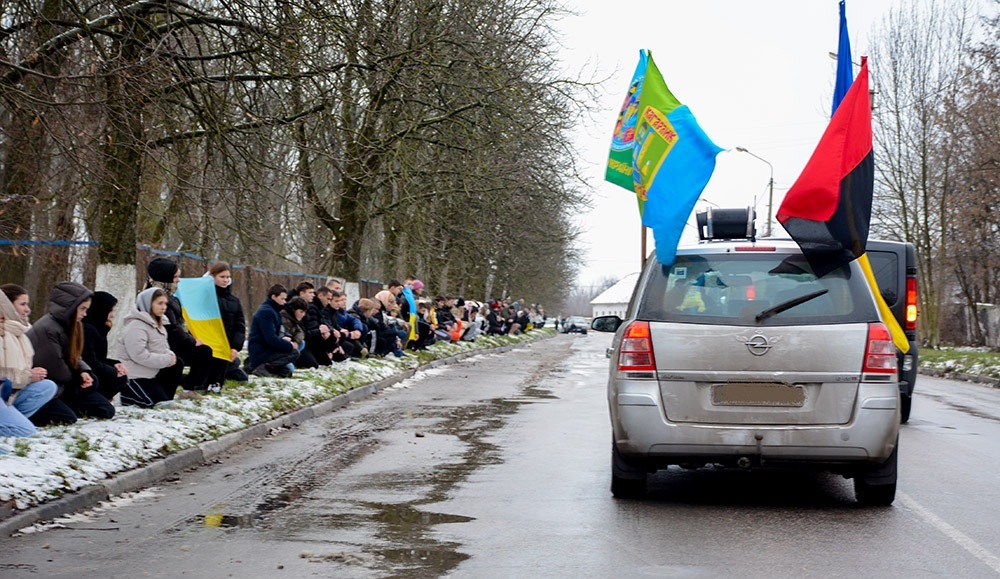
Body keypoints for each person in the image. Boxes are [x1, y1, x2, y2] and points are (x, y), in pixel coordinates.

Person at [27, 281, 115, 423]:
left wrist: (83, 371)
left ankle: (69, 406)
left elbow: (75, 355)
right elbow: (55, 367)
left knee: (105, 408)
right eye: (82, 309)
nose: (85, 314)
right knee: (66, 417)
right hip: (50, 384)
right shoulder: (49, 328)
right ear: (71, 307)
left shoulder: (72, 325)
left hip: (64, 382)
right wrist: (79, 378)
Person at [146, 257, 213, 395]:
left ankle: (191, 386)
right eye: (175, 276)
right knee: (202, 352)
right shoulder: (155, 298)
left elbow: (178, 324)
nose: (178, 280)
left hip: (174, 340)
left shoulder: (171, 296)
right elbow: (171, 328)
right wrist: (192, 342)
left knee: (205, 351)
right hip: (162, 343)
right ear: (166, 277)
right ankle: (190, 388)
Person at [0, 284, 58, 433]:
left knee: (47, 386)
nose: (28, 309)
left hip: (11, 394)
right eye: (22, 304)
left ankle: (12, 422)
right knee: (27, 431)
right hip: (4, 392)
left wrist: (32, 374)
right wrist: (28, 376)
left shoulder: (21, 334)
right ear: (7, 306)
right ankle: (14, 425)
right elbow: (2, 377)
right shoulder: (3, 334)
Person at [118, 288, 186, 407]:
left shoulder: (159, 324)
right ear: (148, 304)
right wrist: (166, 360)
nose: (164, 307)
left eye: (165, 303)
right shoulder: (136, 326)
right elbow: (138, 355)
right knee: (151, 402)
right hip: (136, 375)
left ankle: (163, 397)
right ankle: (127, 394)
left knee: (177, 363)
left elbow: (162, 347)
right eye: (159, 303)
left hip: (153, 372)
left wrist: (170, 355)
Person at [206, 262, 247, 390]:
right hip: (210, 345)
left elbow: (239, 325)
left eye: (228, 277)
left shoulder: (234, 300)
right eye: (222, 277)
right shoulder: (206, 298)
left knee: (239, 375)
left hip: (227, 345)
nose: (225, 280)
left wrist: (235, 346)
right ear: (213, 277)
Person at [81, 291, 127, 402]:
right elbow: (89, 360)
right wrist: (113, 371)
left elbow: (98, 358)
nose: (112, 315)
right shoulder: (87, 329)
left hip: (95, 372)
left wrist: (115, 364)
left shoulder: (99, 327)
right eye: (110, 311)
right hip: (87, 375)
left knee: (121, 377)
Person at [246, 284, 299, 378]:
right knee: (294, 352)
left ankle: (257, 367)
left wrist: (284, 339)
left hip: (265, 349)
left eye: (285, 299)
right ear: (273, 296)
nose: (284, 302)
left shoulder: (272, 310)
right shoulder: (267, 312)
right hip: (261, 351)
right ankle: (262, 367)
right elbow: (270, 338)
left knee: (286, 372)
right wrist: (288, 345)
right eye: (282, 299)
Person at [303, 287, 347, 364]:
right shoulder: (314, 308)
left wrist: (332, 331)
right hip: (311, 340)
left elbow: (327, 324)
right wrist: (325, 331)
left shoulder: (321, 308)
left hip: (318, 337)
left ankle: (331, 351)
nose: (329, 302)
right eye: (328, 299)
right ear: (320, 295)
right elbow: (312, 327)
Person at [281, 296, 317, 369]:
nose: (303, 314)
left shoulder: (293, 319)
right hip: (280, 349)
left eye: (304, 312)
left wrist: (296, 341)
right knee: (290, 368)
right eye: (301, 312)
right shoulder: (284, 319)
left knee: (302, 343)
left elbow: (300, 332)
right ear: (293, 310)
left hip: (291, 346)